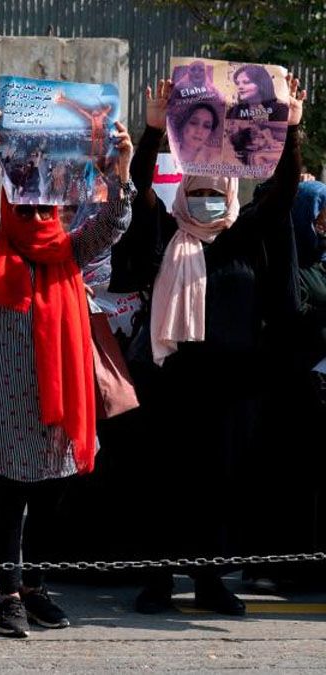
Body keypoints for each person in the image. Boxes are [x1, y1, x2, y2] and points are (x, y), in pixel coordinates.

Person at [114, 77, 306, 616]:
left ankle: (209, 580)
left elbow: (284, 192)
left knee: (220, 483)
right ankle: (156, 578)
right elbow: (140, 185)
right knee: (163, 480)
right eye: (196, 190)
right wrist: (153, 131)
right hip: (171, 378)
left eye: (215, 193)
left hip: (230, 386)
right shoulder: (164, 231)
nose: (205, 200)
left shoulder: (245, 237)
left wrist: (290, 131)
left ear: (231, 197)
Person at [0, 113, 135, 638]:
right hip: (6, 409)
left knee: (48, 505)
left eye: (44, 205)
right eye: (26, 203)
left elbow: (110, 225)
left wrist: (119, 172)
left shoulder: (70, 252)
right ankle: (9, 596)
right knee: (9, 504)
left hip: (61, 411)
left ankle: (34, 588)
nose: (36, 212)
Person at [246, 179, 326, 591]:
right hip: (285, 386)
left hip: (316, 390)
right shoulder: (281, 261)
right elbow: (293, 310)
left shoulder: (322, 260)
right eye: (319, 216)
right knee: (283, 480)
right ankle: (273, 566)